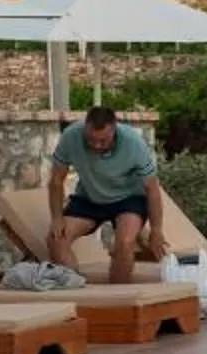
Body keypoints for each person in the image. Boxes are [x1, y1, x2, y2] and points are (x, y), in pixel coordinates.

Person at [45, 104, 168, 286]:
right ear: (85, 127)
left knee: (125, 242)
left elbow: (152, 188)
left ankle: (117, 299)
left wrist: (157, 230)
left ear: (114, 130)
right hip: (90, 197)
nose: (96, 145)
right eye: (91, 139)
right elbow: (56, 181)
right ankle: (77, 291)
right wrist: (56, 218)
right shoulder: (71, 136)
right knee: (55, 240)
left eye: (103, 141)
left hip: (128, 198)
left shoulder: (133, 143)